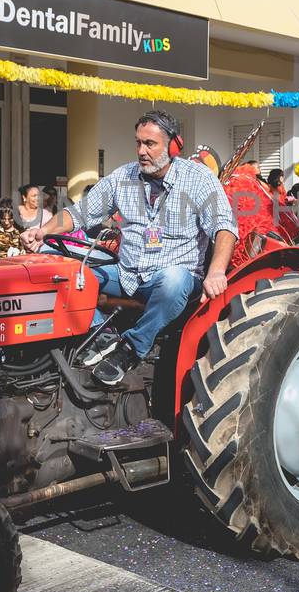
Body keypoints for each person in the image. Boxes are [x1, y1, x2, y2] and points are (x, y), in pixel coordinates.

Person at [21, 110, 237, 386]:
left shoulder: (199, 179)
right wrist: (43, 231)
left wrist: (217, 271)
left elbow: (224, 227)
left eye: (150, 144)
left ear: (173, 146)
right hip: (127, 275)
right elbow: (79, 214)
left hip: (175, 278)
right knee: (53, 263)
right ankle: (101, 336)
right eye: (138, 143)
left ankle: (132, 348)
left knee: (173, 280)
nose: (142, 151)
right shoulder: (123, 177)